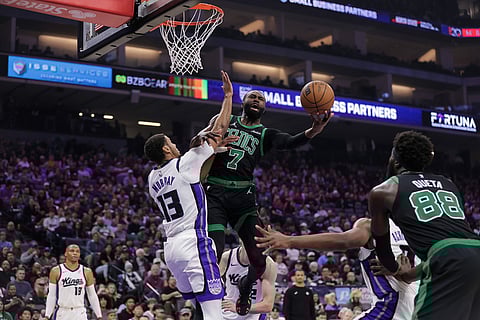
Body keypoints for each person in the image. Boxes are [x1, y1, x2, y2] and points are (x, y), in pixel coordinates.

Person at [203, 88, 333, 315]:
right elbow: (202, 139)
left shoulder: (264, 134)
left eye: (260, 98)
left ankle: (246, 288)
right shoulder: (226, 120)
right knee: (214, 251)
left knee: (259, 255)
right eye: (252, 96)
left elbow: (291, 141)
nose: (256, 100)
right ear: (243, 101)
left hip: (243, 197)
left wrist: (315, 129)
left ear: (264, 107)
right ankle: (206, 304)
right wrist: (211, 141)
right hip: (215, 192)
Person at [144, 71, 235, 320]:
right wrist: (228, 96)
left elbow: (191, 159)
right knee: (214, 311)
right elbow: (219, 128)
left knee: (197, 309)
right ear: (165, 148)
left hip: (171, 249)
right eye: (171, 142)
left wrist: (208, 148)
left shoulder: (152, 179)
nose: (175, 144)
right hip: (193, 242)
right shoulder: (184, 164)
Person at [368, 130, 480, 320]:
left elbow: (383, 249)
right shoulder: (448, 183)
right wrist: (409, 275)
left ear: (395, 159)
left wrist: (394, 268)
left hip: (448, 257)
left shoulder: (383, 191)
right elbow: (454, 246)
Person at [255, 217, 419, 320]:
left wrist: (289, 241)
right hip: (417, 307)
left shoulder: (371, 225)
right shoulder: (421, 230)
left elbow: (343, 241)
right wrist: (403, 272)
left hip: (389, 306)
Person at [219, 242, 277, 320]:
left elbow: (268, 305)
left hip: (252, 314)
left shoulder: (268, 264)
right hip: (227, 312)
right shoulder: (228, 257)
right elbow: (215, 287)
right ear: (241, 240)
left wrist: (239, 308)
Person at [45, 244, 102, 320]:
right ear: (65, 253)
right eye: (72, 251)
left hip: (80, 311)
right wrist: (47, 315)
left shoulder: (86, 271)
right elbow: (52, 295)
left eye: (77, 251)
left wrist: (99, 315)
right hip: (62, 311)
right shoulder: (56, 271)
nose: (75, 253)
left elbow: (92, 295)